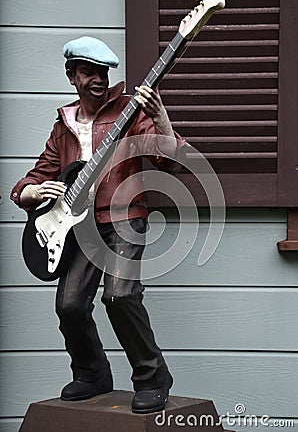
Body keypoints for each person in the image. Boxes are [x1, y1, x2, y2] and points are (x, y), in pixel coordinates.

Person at [10, 36, 187, 414]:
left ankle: (153, 378)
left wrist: (161, 120)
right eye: (88, 72)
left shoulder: (130, 110)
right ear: (71, 75)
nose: (98, 79)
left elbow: (167, 162)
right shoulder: (64, 124)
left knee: (120, 296)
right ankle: (92, 375)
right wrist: (35, 191)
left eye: (103, 72)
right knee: (70, 305)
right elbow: (30, 181)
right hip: (80, 228)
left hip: (123, 219)